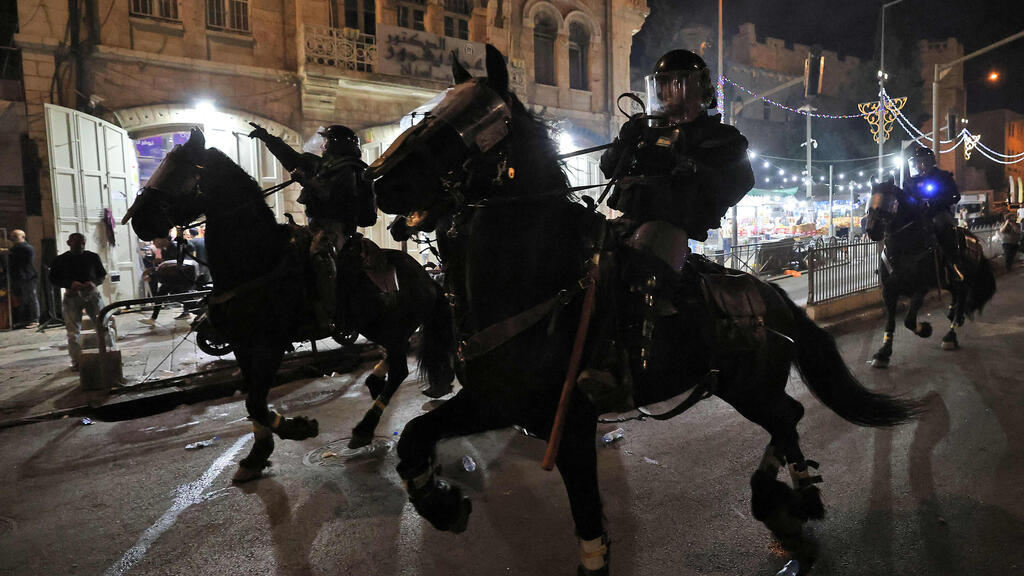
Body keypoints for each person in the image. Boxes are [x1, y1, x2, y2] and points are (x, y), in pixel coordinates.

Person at [583, 49, 754, 397]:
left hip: (671, 227)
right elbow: (607, 168)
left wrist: (692, 167)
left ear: (697, 88)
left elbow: (739, 181)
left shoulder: (722, 136)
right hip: (627, 221)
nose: (667, 92)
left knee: (644, 269)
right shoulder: (647, 130)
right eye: (662, 84)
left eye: (676, 83)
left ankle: (624, 368)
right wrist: (623, 143)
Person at [247, 122, 377, 334]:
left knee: (320, 255)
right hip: (315, 225)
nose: (324, 146)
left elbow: (332, 197)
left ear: (337, 144)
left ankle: (332, 313)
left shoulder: (350, 170)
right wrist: (268, 139)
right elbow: (294, 159)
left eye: (327, 141)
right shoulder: (324, 166)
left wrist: (307, 181)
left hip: (337, 228)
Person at [49, 233, 108, 370]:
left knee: (102, 324)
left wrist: (94, 283)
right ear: (69, 243)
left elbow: (102, 274)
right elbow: (53, 279)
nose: (81, 246)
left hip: (92, 294)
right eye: (77, 243)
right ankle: (77, 360)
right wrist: (69, 284)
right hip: (72, 295)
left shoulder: (92, 257)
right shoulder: (61, 260)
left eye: (83, 243)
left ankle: (108, 352)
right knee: (73, 330)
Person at [904, 146, 961, 277]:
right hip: (918, 215)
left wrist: (935, 201)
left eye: (922, 161)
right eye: (917, 162)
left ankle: (952, 263)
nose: (920, 165)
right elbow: (907, 198)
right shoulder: (912, 181)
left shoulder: (943, 177)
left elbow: (955, 196)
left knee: (944, 227)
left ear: (930, 161)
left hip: (938, 212)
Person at [8, 229, 39, 329]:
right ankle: (25, 320)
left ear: (23, 237)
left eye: (15, 236)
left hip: (27, 277)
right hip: (19, 277)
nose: (12, 238)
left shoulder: (25, 248)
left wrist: (7, 251)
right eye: (12, 236)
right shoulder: (17, 248)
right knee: (22, 300)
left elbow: (18, 257)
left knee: (31, 298)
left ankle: (34, 320)